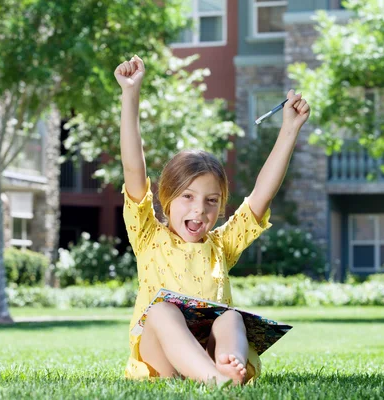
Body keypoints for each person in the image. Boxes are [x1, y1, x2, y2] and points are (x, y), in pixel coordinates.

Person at [115, 55, 310, 386]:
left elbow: (261, 196)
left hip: (208, 349)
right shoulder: (148, 235)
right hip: (161, 357)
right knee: (160, 311)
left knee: (230, 317)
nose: (199, 210)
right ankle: (213, 379)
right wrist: (130, 95)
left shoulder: (221, 246)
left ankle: (226, 368)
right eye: (187, 197)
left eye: (211, 201)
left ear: (221, 208)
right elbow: (134, 169)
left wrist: (289, 130)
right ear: (166, 198)